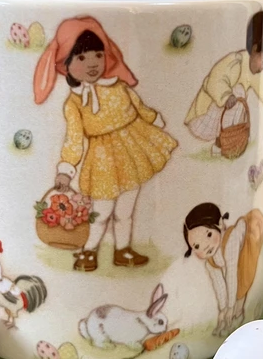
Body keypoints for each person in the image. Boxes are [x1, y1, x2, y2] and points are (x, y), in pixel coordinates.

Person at [34, 16, 177, 272]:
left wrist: (156, 120)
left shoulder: (117, 86)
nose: (92, 64)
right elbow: (74, 139)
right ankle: (88, 252)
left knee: (126, 210)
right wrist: (66, 170)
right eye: (81, 58)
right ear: (65, 65)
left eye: (98, 55)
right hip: (101, 162)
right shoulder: (75, 103)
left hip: (132, 150)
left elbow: (139, 107)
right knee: (101, 212)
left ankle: (123, 251)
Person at [185, 10, 263, 155]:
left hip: (229, 109)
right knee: (239, 92)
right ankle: (220, 142)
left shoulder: (253, 71)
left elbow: (262, 86)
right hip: (210, 108)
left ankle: (227, 142)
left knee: (240, 98)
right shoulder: (236, 61)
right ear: (254, 50)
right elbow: (215, 80)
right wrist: (226, 96)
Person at [183, 202, 263, 335]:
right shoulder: (209, 259)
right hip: (233, 262)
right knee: (229, 293)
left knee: (241, 283)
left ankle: (238, 317)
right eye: (197, 246)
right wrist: (223, 311)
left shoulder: (230, 239)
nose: (205, 246)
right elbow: (219, 285)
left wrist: (231, 307)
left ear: (220, 224)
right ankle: (226, 322)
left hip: (247, 245)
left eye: (209, 235)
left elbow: (231, 274)